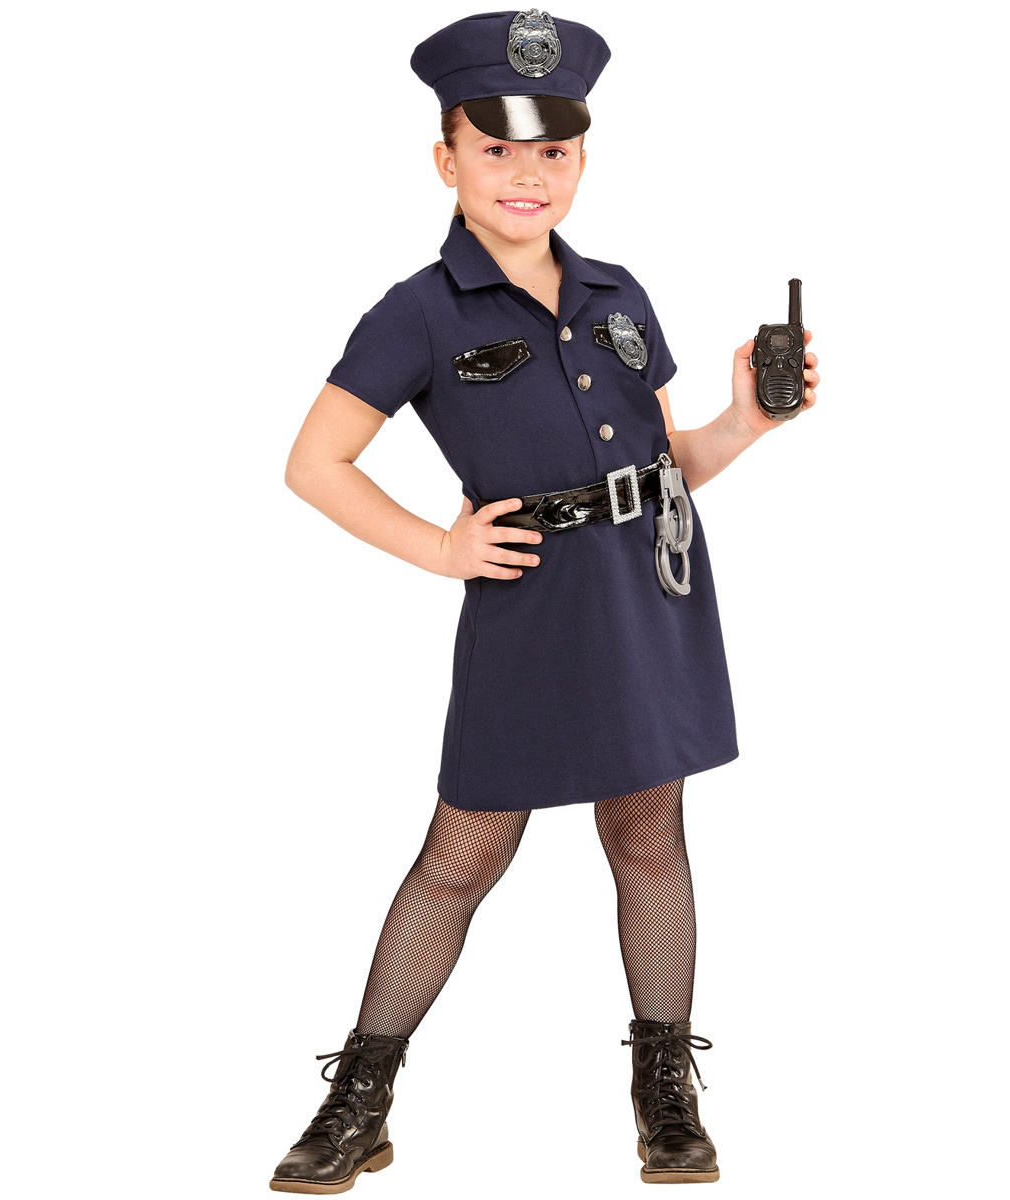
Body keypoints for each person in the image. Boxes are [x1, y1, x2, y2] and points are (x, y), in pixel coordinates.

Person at [274, 9, 820, 1192]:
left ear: (581, 160)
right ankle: (358, 1097)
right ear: (446, 160)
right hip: (528, 604)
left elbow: (668, 461)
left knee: (648, 836)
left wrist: (744, 422)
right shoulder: (419, 310)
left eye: (553, 152)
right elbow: (314, 464)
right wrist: (439, 547)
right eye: (496, 150)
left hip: (648, 592)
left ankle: (664, 1094)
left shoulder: (620, 293)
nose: (527, 175)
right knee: (461, 854)